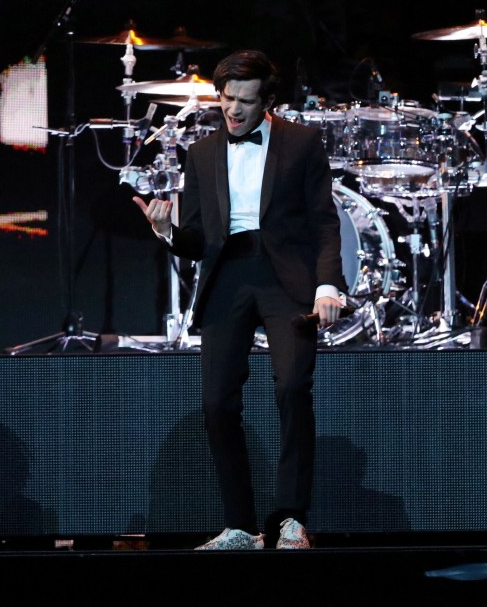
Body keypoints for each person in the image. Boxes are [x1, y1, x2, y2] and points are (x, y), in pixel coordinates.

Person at [133, 49, 347, 550]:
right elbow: (196, 239)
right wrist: (166, 232)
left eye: (245, 103)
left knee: (292, 389)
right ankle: (239, 525)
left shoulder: (301, 142)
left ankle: (291, 518)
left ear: (266, 101)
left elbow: (323, 222)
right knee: (216, 403)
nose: (233, 111)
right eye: (227, 100)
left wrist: (327, 284)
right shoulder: (202, 153)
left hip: (285, 277)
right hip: (228, 274)